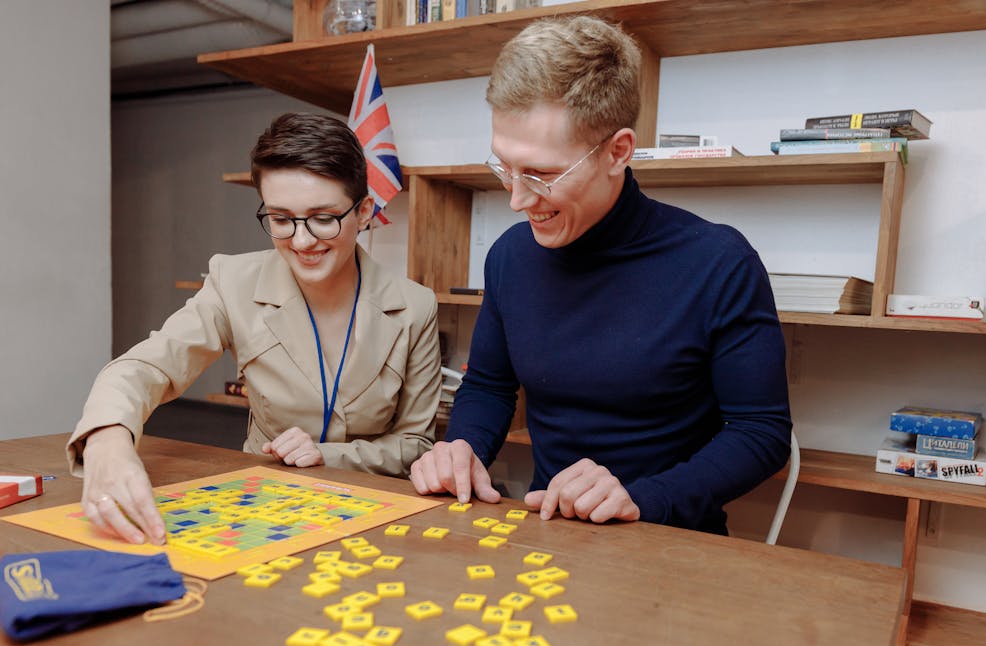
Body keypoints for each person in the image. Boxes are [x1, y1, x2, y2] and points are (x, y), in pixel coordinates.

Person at [409, 16, 791, 534]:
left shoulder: (719, 262)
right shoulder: (509, 257)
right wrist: (463, 449)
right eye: (503, 167)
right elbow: (491, 387)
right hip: (549, 530)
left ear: (618, 151)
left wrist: (641, 497)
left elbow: (761, 431)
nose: (518, 200)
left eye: (541, 174)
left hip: (667, 536)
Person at [68, 113, 442, 545]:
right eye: (281, 219)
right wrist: (107, 440)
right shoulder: (232, 281)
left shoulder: (416, 305)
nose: (302, 242)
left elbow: (416, 444)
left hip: (377, 512)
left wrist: (327, 455)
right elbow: (145, 366)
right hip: (261, 504)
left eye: (323, 218)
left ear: (363, 213)